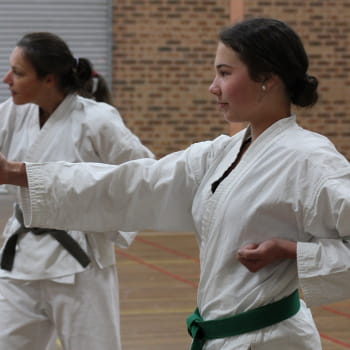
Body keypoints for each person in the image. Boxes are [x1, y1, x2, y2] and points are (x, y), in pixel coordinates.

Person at [0, 17, 348, 349]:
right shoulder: (221, 153)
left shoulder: (310, 159)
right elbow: (136, 181)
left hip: (272, 340)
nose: (213, 88)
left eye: (224, 74)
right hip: (224, 336)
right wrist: (19, 173)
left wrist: (296, 252)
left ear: (267, 78)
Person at [0, 32, 153, 350]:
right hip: (21, 257)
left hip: (79, 262)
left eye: (18, 72)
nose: (7, 79)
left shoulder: (97, 121)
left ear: (49, 79)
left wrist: (105, 222)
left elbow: (145, 175)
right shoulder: (12, 113)